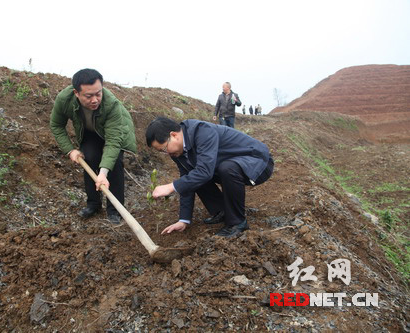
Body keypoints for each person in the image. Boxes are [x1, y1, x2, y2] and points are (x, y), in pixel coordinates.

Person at [145, 117, 274, 237]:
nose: (166, 153)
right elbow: (188, 180)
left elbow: (204, 171)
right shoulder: (177, 152)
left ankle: (237, 223)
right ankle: (222, 211)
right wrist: (183, 220)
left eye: (164, 149)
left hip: (258, 162)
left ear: (173, 135)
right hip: (230, 165)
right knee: (195, 176)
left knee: (223, 169)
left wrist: (172, 186)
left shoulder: (202, 131)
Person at [50, 68, 137, 224]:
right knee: (89, 158)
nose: (95, 100)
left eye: (98, 94)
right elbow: (56, 125)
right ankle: (94, 204)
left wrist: (103, 173)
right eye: (89, 96)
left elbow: (113, 141)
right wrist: (70, 150)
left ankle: (114, 210)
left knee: (114, 163)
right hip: (90, 131)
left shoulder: (111, 104)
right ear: (76, 93)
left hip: (115, 133)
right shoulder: (64, 100)